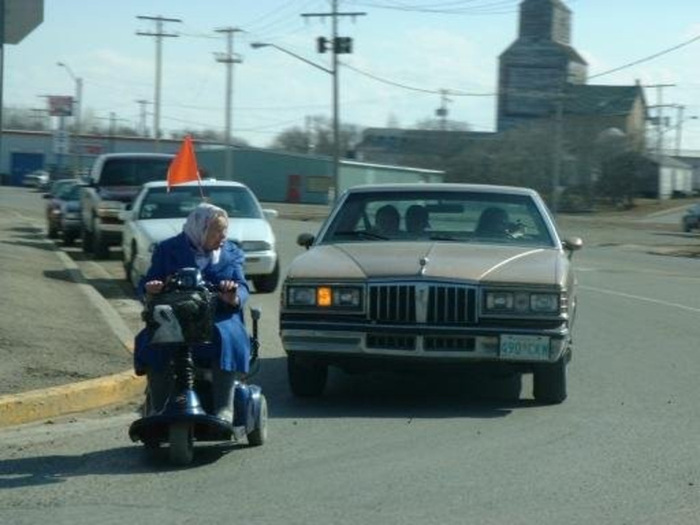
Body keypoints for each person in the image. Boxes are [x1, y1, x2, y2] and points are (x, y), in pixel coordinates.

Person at [133, 202, 250, 423]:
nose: (223, 236)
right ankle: (158, 408)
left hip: (219, 315)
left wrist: (233, 296)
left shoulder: (231, 253)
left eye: (225, 230)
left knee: (224, 335)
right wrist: (151, 288)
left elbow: (243, 287)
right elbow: (146, 283)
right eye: (218, 231)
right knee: (151, 339)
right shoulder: (167, 249)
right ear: (201, 229)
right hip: (175, 316)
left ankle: (224, 407)